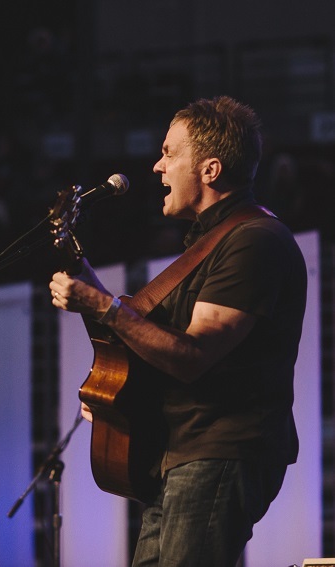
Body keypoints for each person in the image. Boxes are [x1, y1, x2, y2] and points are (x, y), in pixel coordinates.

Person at [49, 95, 307, 566]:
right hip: (182, 451)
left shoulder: (254, 241)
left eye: (169, 153)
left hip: (218, 448)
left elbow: (192, 355)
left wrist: (104, 306)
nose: (156, 166)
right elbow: (162, 349)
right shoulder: (211, 242)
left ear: (209, 171)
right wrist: (120, 392)